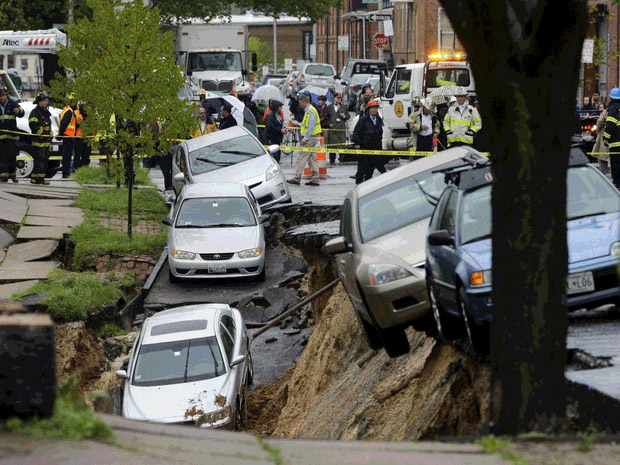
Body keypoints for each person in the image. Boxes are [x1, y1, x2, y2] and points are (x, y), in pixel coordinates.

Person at [286, 94, 322, 186]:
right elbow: (307, 124)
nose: (300, 105)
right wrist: (298, 124)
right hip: (312, 137)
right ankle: (315, 178)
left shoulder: (310, 111)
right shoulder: (310, 110)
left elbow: (311, 126)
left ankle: (297, 177)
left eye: (300, 102)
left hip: (309, 138)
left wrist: (305, 138)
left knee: (301, 157)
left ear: (303, 102)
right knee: (312, 158)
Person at [351, 98, 384, 184]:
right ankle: (358, 185)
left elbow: (380, 133)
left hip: (375, 148)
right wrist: (357, 143)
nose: (374, 110)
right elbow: (357, 131)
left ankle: (367, 186)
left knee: (370, 170)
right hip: (364, 148)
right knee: (361, 169)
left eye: (376, 108)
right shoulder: (363, 120)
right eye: (372, 108)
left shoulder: (379, 120)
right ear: (369, 109)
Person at [0, 86, 25, 183]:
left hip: (11, 136)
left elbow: (21, 112)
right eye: (0, 96)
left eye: (3, 95)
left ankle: (13, 175)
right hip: (1, 136)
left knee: (12, 156)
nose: (2, 98)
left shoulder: (12, 103)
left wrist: (18, 111)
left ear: (6, 95)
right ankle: (3, 176)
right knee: (2, 157)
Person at [28, 91, 53, 185]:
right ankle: (34, 178)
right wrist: (40, 133)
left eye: (46, 101)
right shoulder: (35, 112)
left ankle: (41, 178)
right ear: (39, 102)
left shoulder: (46, 112)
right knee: (38, 159)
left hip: (46, 140)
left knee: (44, 160)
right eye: (44, 101)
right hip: (38, 141)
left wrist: (49, 134)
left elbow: (48, 125)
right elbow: (33, 124)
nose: (45, 102)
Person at [59, 93, 84, 178]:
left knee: (67, 155)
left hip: (69, 135)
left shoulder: (68, 110)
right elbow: (64, 123)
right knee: (67, 155)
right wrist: (60, 134)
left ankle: (66, 172)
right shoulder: (69, 112)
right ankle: (65, 173)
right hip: (68, 135)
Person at [603, 87, 620, 187]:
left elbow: (610, 125)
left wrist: (605, 138)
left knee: (615, 163)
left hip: (616, 143)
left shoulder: (613, 108)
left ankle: (617, 183)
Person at [329, 93, 349, 164]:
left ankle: (341, 159)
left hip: (341, 129)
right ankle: (332, 159)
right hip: (332, 130)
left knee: (341, 145)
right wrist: (329, 124)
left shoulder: (344, 107)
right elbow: (326, 117)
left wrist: (345, 116)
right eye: (337, 98)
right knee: (332, 145)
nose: (339, 99)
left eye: (340, 98)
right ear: (334, 98)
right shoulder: (330, 107)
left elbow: (348, 116)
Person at [593, 102, 610, 175]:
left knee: (602, 158)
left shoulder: (606, 111)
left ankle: (603, 176)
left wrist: (597, 132)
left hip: (604, 138)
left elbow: (600, 122)